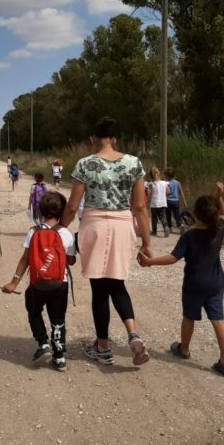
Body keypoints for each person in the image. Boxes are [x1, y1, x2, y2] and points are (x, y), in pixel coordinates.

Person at [61, 117, 152, 366]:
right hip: (123, 224)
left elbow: (72, 206)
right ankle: (133, 334)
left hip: (95, 225)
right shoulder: (134, 163)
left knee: (100, 289)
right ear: (114, 139)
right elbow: (140, 206)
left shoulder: (85, 164)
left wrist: (59, 229)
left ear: (93, 138)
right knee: (117, 283)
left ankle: (103, 347)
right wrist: (146, 243)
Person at [138, 182, 224, 376]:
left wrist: (150, 262)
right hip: (216, 284)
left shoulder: (189, 237)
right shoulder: (219, 228)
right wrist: (219, 196)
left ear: (194, 214)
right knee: (218, 320)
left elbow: (173, 258)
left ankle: (184, 349)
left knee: (189, 317)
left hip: (194, 285)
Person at [2, 191, 77, 372]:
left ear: (41, 211)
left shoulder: (34, 232)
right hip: (60, 284)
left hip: (38, 284)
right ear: (62, 212)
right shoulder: (66, 233)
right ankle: (59, 357)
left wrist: (14, 283)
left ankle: (43, 344)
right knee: (58, 319)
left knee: (34, 311)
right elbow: (71, 261)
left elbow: (25, 259)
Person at [147, 167, 170, 237]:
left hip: (154, 203)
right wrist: (163, 195)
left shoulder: (151, 184)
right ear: (159, 174)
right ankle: (166, 227)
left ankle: (154, 231)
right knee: (163, 217)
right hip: (163, 203)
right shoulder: (164, 183)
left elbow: (150, 193)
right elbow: (168, 191)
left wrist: (148, 200)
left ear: (151, 176)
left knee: (154, 218)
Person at [165, 167, 187, 235]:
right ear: (174, 175)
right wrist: (184, 201)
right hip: (176, 201)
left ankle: (169, 227)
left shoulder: (166, 183)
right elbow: (181, 192)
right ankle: (180, 225)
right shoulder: (177, 183)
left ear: (167, 176)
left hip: (168, 201)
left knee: (168, 215)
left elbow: (165, 192)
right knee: (177, 215)